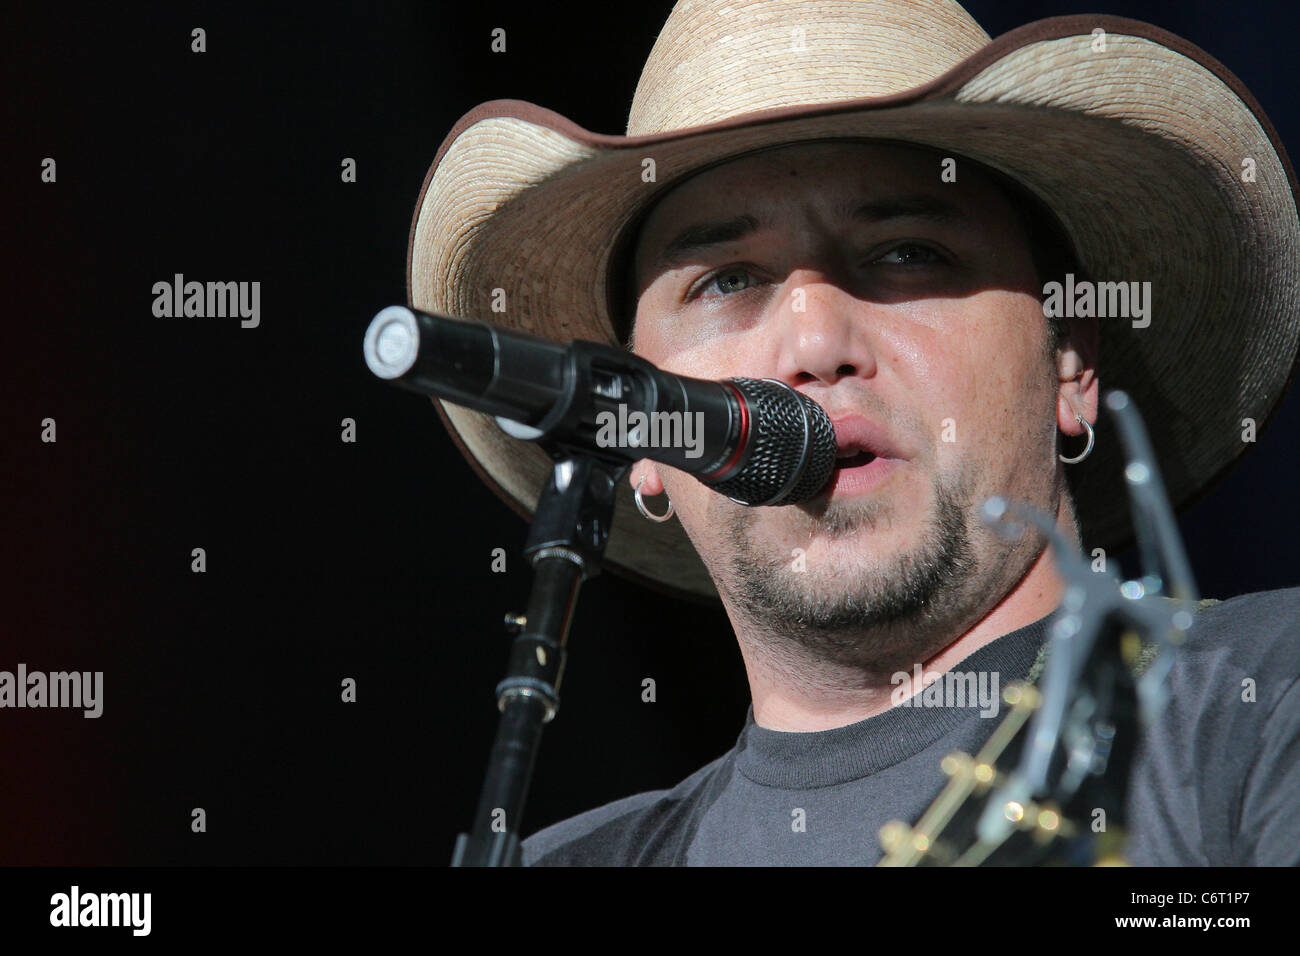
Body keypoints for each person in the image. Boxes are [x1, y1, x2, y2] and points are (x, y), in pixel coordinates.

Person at [407, 0, 1300, 864]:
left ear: (1069, 363)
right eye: (726, 281)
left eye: (906, 253)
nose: (816, 344)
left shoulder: (1261, 703)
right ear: (637, 434)